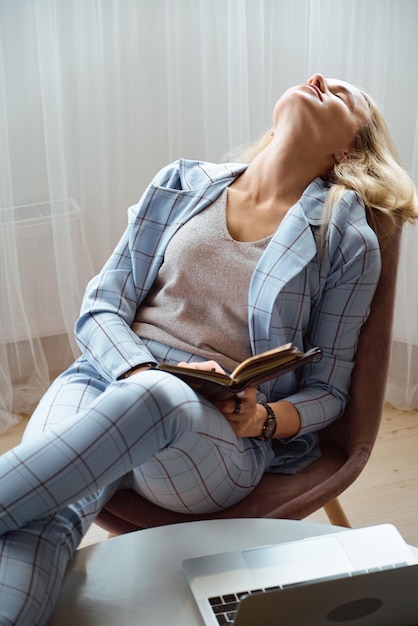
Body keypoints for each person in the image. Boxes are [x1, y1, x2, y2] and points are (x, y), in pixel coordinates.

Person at [0, 73, 417, 625]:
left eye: (343, 95)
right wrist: (139, 365)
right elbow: (101, 306)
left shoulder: (343, 239)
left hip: (209, 436)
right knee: (46, 518)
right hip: (104, 380)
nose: (318, 80)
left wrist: (262, 419)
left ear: (347, 149)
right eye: (319, 79)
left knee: (157, 393)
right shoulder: (182, 182)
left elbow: (330, 392)